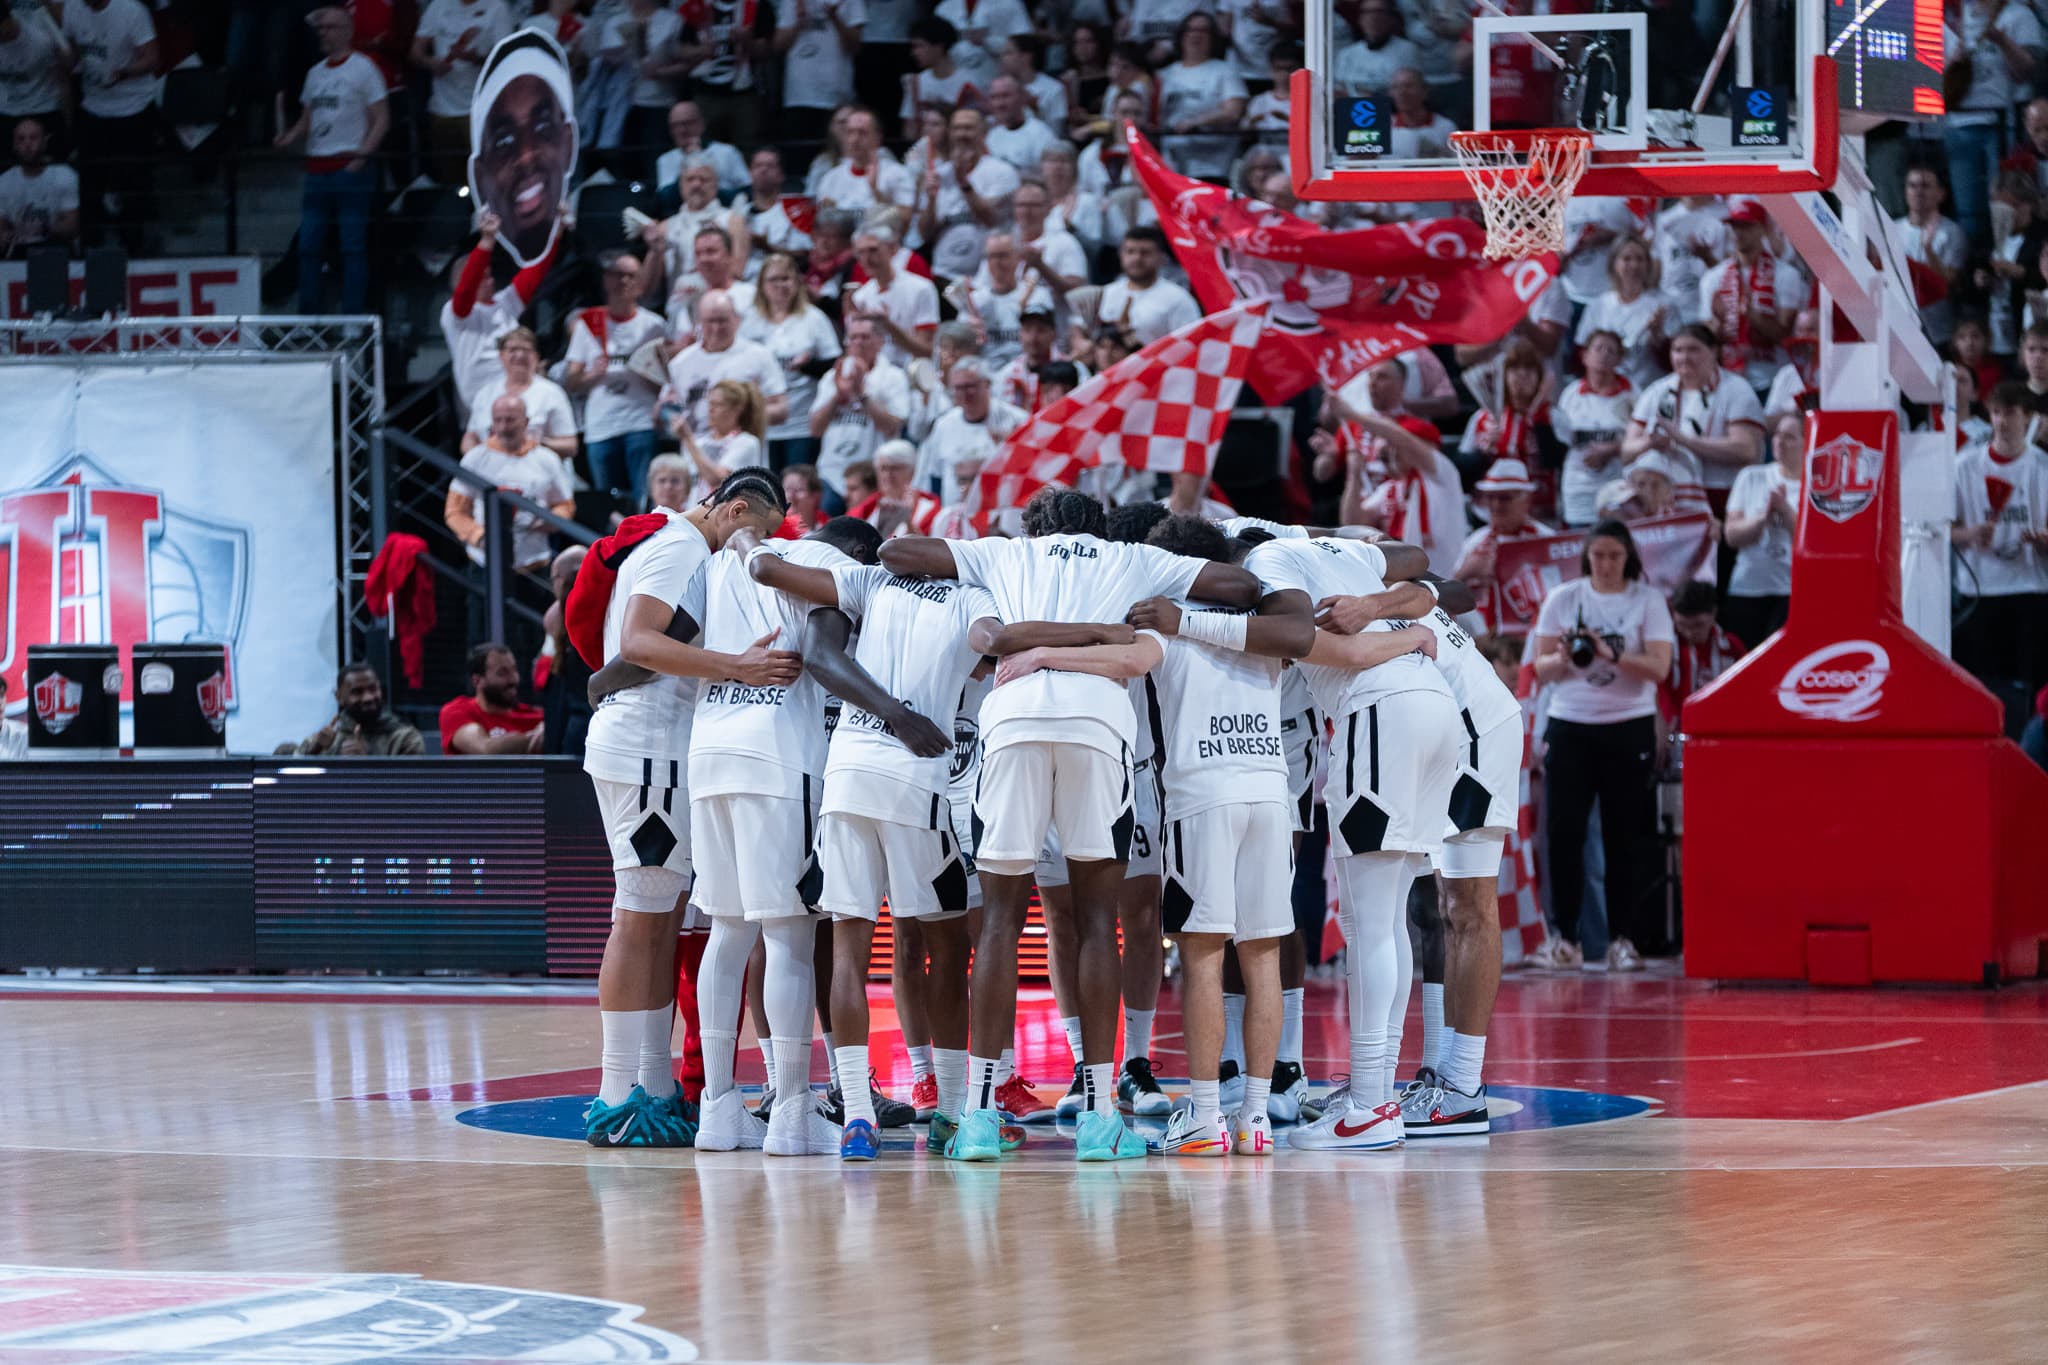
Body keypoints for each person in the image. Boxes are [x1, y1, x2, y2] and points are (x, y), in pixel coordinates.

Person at [877, 489, 1265, 1161]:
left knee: (1000, 921)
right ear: (1098, 527)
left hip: (1012, 721)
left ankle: (977, 1115)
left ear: (1034, 528)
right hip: (1097, 724)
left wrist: (1026, 615)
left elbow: (896, 552)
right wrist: (1113, 624)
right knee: (1096, 919)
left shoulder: (1004, 553)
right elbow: (1243, 586)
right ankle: (1098, 1117)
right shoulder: (1132, 557)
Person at [999, 515, 1292, 1157]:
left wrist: (1042, 654)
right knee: (1263, 954)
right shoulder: (1265, 629)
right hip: (1271, 792)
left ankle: (1205, 1117)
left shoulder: (1168, 626)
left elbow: (1128, 657)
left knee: (1203, 953)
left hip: (1201, 795)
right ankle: (1257, 1117)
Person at [738, 529, 993, 1158]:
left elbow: (769, 571)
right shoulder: (974, 596)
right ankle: (950, 1112)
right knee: (946, 948)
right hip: (916, 780)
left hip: (847, 777)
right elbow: (995, 646)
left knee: (849, 954)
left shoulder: (867, 582)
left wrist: (744, 538)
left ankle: (856, 1115)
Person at [574, 468, 797, 1148]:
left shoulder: (677, 544)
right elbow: (638, 644)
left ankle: (652, 1086)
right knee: (638, 918)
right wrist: (737, 666)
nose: (756, 545)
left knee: (659, 920)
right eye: (757, 529)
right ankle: (617, 1095)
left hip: (656, 745)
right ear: (734, 508)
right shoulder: (678, 546)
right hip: (645, 745)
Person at [1227, 530, 1458, 1150]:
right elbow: (1423, 578)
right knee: (1389, 920)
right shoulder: (1342, 549)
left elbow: (1320, 641)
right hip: (1436, 708)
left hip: (1381, 712)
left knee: (1368, 924)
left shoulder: (1265, 562)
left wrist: (1394, 630)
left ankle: (1369, 1106)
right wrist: (1403, 625)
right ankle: (1376, 1094)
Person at [1314, 553, 1522, 1137]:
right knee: (1432, 907)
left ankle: (1463, 1085)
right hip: (1441, 730)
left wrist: (1374, 601)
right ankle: (1431, 1075)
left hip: (1477, 730)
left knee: (1468, 905)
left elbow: (1447, 589)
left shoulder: (1364, 584)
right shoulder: (1355, 582)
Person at [1529, 520, 1676, 972]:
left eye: (1614, 555)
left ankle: (1623, 939)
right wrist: (1565, 656)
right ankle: (1566, 939)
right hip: (1571, 723)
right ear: (1586, 556)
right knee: (1565, 835)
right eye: (1598, 555)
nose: (1606, 564)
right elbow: (1540, 668)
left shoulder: (1647, 600)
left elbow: (1659, 668)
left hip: (1627, 723)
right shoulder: (1564, 598)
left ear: (1628, 557)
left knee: (1624, 836)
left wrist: (1610, 653)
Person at [274, 9, 387, 314]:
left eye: (329, 27)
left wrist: (361, 157)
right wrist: (290, 136)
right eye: (320, 28)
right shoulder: (315, 73)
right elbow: (308, 119)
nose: (323, 33)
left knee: (352, 247)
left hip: (348, 167)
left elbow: (382, 117)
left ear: (347, 30)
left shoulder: (364, 69)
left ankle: (352, 317)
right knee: (309, 247)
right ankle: (309, 316)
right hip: (317, 168)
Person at [1952, 380, 2048, 694]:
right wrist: (1971, 534)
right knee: (1982, 686)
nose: (2002, 422)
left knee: (2029, 685)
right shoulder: (1964, 466)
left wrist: (2043, 541)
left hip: (2029, 587)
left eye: (2010, 413)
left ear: (2028, 417)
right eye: (1996, 413)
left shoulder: (2043, 467)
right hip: (1981, 589)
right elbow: (1941, 530)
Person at [1335, 370, 1469, 578]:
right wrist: (1354, 475)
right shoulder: (1390, 488)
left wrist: (1353, 415)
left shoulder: (1442, 475)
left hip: (1447, 583)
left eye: (1395, 446)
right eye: (1388, 449)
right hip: (1407, 584)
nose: (1391, 452)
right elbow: (1352, 525)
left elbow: (1401, 438)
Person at [1623, 324, 1766, 517]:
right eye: (1678, 350)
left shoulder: (1737, 390)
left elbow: (1746, 450)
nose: (1684, 357)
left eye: (1693, 349)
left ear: (1714, 352)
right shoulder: (1656, 391)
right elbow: (1626, 451)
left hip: (1723, 497)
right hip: (1664, 500)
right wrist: (1649, 442)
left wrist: (1685, 441)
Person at [466, 30, 576, 267]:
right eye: (503, 142)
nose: (526, 155)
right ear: (479, 175)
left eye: (543, 127)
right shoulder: (476, 275)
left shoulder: (588, 268)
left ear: (568, 144)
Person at [565, 249, 667, 501]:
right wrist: (592, 375)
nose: (624, 281)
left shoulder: (654, 325)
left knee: (643, 500)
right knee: (607, 503)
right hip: (601, 426)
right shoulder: (589, 323)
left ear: (641, 282)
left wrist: (646, 372)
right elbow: (571, 382)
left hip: (641, 423)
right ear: (606, 280)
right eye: (618, 275)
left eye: (632, 276)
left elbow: (666, 383)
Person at [62, 0, 158, 248]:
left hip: (132, 106)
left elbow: (151, 57)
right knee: (90, 177)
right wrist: (69, 60)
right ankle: (92, 241)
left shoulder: (132, 11)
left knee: (132, 178)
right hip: (93, 105)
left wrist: (124, 72)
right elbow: (73, 50)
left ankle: (133, 240)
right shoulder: (72, 8)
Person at [442, 212, 554, 416]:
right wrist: (487, 241)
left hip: (520, 394)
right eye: (484, 277)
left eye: (490, 275)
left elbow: (534, 272)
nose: (491, 281)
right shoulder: (454, 313)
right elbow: (466, 290)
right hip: (484, 402)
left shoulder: (504, 303)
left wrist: (556, 231)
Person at [743, 250, 842, 470]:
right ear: (762, 285)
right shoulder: (750, 322)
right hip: (762, 423)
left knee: (796, 483)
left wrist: (808, 366)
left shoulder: (814, 318)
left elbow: (834, 365)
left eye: (786, 278)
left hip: (802, 422)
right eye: (773, 279)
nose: (780, 285)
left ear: (797, 283)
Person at [1697, 199, 1803, 397]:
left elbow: (1785, 336)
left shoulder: (1786, 275)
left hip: (1772, 378)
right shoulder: (1712, 278)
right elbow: (1705, 338)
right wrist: (1717, 325)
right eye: (1734, 226)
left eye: (1746, 226)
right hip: (1727, 379)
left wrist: (1755, 316)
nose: (1738, 233)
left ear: (1763, 229)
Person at [1721, 410, 1805, 646]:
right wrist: (1762, 518)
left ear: (1807, 442)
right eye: (1777, 434)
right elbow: (1731, 536)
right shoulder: (1751, 477)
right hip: (1747, 587)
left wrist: (1785, 511)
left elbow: (1810, 544)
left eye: (1789, 437)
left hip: (1790, 591)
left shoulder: (1815, 485)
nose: (1779, 441)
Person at [662, 290, 789, 441]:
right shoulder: (681, 363)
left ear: (737, 320)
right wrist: (665, 412)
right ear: (698, 323)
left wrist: (740, 418)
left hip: (743, 448)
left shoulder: (758, 355)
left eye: (722, 321)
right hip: (695, 449)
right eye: (710, 321)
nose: (716, 328)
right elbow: (665, 415)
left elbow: (781, 409)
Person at [411, 0, 513, 186]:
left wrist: (476, 58)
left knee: (487, 176)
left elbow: (506, 57)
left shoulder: (497, 7)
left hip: (481, 110)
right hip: (442, 108)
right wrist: (431, 63)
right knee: (450, 180)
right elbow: (416, 51)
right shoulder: (438, 6)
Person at [812, 313, 912, 501]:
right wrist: (838, 396)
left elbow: (893, 426)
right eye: (853, 337)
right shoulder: (831, 377)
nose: (858, 342)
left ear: (880, 341)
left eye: (865, 337)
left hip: (871, 473)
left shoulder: (894, 376)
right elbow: (815, 429)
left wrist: (863, 396)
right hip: (831, 472)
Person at [915, 106, 1018, 284]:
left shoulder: (1002, 171)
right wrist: (931, 200)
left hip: (987, 276)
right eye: (957, 128)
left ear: (983, 133)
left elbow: (991, 219)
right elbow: (925, 233)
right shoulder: (939, 175)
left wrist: (963, 182)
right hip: (944, 273)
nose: (962, 134)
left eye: (968, 128)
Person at [1453, 458, 1556, 635]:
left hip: (1530, 634)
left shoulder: (1546, 540)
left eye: (1505, 498)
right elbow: (1448, 596)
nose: (1496, 505)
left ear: (1527, 500)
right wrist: (1466, 572)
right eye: (1490, 497)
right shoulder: (1475, 541)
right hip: (1480, 637)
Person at [1554, 329, 1636, 528]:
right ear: (1585, 356)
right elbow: (1561, 442)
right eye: (1598, 348)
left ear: (1619, 359)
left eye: (1611, 351)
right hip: (1578, 487)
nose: (1604, 355)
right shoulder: (1571, 394)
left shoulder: (1633, 394)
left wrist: (1613, 449)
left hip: (1618, 487)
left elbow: (1642, 438)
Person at [918, 358, 1025, 505]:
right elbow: (935, 475)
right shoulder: (943, 425)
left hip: (999, 507)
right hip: (953, 511)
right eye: (958, 388)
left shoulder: (1016, 420)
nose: (965, 394)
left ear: (987, 384)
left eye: (970, 386)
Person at [1156, 11, 1246, 181]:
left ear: (1213, 37)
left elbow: (1234, 111)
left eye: (1203, 30)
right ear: (1181, 35)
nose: (1196, 35)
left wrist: (1196, 122)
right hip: (1172, 163)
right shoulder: (1164, 74)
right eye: (1190, 30)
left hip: (1215, 165)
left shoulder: (1225, 70)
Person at [462, 328, 578, 459]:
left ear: (536, 357)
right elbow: (470, 437)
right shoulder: (485, 394)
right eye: (513, 350)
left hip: (538, 466)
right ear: (501, 356)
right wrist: (477, 457)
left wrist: (536, 444)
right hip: (492, 467)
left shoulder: (552, 393)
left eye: (526, 350)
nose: (520, 355)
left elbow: (570, 446)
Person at [1575, 234, 1667, 390]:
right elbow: (1581, 351)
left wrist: (1658, 337)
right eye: (1627, 259)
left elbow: (1668, 361)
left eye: (1640, 259)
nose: (1634, 265)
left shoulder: (1661, 305)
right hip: (1606, 390)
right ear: (1614, 263)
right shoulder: (1599, 304)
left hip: (1646, 388)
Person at [774, 0, 865, 150]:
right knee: (800, 153)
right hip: (799, 94)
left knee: (837, 153)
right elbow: (779, 45)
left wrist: (835, 18)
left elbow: (856, 47)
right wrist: (798, 22)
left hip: (837, 94)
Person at [849, 223, 941, 365]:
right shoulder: (860, 297)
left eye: (873, 250)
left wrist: (889, 326)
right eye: (861, 252)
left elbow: (927, 351)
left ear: (892, 249)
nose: (867, 259)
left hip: (913, 372)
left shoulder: (921, 289)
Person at [1897, 166, 1967, 346]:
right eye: (1912, 186)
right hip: (1901, 326)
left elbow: (1948, 281)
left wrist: (1928, 249)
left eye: (1925, 186)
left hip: (1939, 330)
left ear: (1940, 193)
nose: (1918, 192)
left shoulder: (1952, 232)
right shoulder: (1892, 229)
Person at [1662, 579, 1745, 726]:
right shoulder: (1666, 647)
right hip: (1677, 728)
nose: (1689, 633)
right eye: (1682, 625)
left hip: (1722, 725)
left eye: (1698, 625)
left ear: (1713, 613)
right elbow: (1658, 693)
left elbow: (1745, 689)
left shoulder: (1732, 647)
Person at [296, 663, 425, 756]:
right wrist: (320, 752)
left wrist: (366, 764)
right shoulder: (325, 739)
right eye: (357, 692)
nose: (368, 697)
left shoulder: (404, 738)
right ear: (339, 697)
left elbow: (411, 784)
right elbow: (293, 779)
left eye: (373, 689)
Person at [1098, 226, 1199, 345]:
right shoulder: (1107, 293)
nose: (1136, 258)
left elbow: (1191, 344)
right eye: (1130, 251)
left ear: (1161, 257)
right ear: (1121, 255)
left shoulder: (1178, 299)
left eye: (1145, 253)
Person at [440, 642, 546, 754]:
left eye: (514, 670)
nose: (513, 679)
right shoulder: (458, 712)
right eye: (502, 673)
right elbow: (484, 749)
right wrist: (541, 736)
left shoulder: (536, 716)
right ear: (477, 681)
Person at [814, 107, 916, 215]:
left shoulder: (898, 174)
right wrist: (829, 212)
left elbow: (905, 217)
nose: (855, 139)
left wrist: (875, 191)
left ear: (877, 138)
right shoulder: (830, 178)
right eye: (850, 132)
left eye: (862, 133)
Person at [0, 116, 78, 257]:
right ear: (14, 145)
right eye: (21, 139)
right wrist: (5, 236)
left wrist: (44, 229)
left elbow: (72, 226)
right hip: (18, 249)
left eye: (33, 138)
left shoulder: (64, 175)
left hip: (55, 247)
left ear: (44, 142)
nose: (27, 144)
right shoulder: (4, 181)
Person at [663, 224, 755, 342]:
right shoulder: (689, 298)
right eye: (698, 253)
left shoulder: (750, 295)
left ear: (729, 255)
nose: (703, 259)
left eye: (711, 251)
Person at [655, 101, 747, 199]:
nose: (682, 130)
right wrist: (687, 161)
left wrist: (712, 191)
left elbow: (748, 190)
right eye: (675, 125)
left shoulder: (727, 152)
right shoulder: (665, 160)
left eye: (687, 123)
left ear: (701, 124)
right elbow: (665, 199)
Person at [851, 438, 943, 535]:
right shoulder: (867, 509)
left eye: (895, 468)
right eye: (883, 468)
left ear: (912, 471)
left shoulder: (929, 510)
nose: (888, 475)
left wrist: (906, 520)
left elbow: (927, 543)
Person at [983, 75, 1060, 174]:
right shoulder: (991, 136)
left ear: (1022, 97)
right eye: (995, 97)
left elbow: (1050, 176)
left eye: (1006, 96)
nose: (1000, 103)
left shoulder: (1041, 135)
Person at [782, 463, 829, 531]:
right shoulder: (771, 530)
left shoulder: (830, 530)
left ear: (816, 495)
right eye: (787, 489)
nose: (790, 496)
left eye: (799, 489)